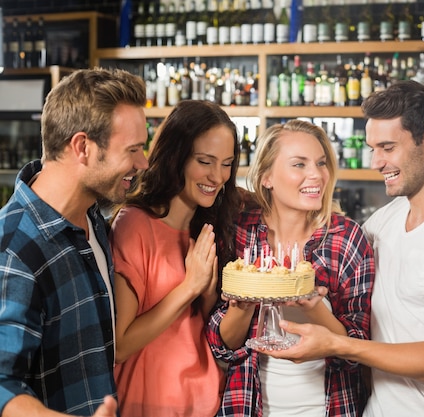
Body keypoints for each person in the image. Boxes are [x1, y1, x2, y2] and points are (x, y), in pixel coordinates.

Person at [255, 81, 424, 416]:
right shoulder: (382, 223)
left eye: (387, 147)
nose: (376, 162)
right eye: (372, 148)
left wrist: (337, 344)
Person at [0, 68, 148, 416]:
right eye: (133, 150)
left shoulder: (94, 215)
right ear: (82, 147)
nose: (142, 162)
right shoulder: (13, 249)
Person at [206, 119, 375, 417]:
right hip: (246, 406)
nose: (316, 175)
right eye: (299, 164)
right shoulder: (239, 232)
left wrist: (314, 308)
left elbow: (357, 350)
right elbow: (223, 347)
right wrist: (243, 306)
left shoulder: (346, 238)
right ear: (267, 176)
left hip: (329, 407)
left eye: (321, 163)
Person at [108, 100, 242, 416]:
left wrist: (209, 295)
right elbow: (120, 344)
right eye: (205, 161)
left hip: (207, 401)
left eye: (226, 163)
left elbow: (202, 328)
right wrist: (189, 288)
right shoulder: (133, 225)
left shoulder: (211, 227)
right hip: (148, 404)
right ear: (175, 157)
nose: (217, 176)